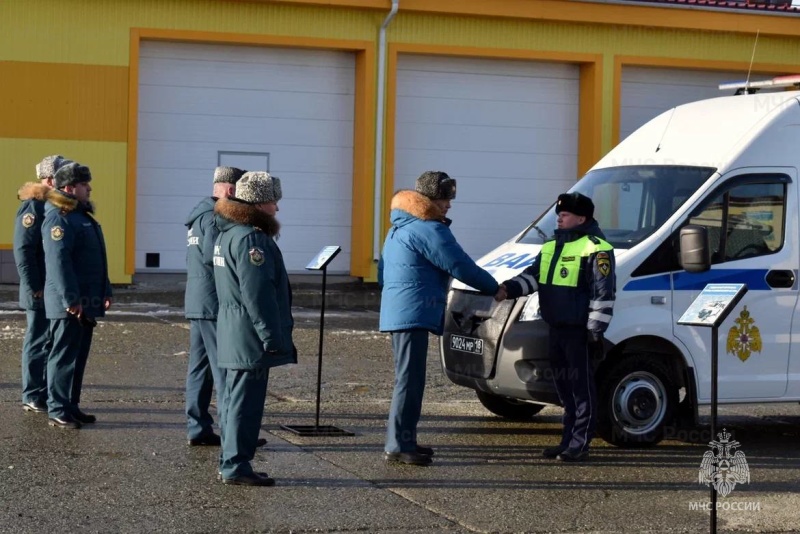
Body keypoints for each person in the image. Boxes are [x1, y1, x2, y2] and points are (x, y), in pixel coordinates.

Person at [379, 171, 499, 466]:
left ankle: (404, 439)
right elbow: (460, 264)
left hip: (401, 310)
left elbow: (382, 273)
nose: (449, 205)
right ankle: (400, 445)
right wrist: (496, 287)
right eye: (445, 198)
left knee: (408, 379)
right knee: (409, 380)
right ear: (430, 199)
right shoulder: (428, 228)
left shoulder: (399, 226)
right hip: (413, 313)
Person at [496, 192, 615, 462]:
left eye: (565, 215)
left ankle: (580, 444)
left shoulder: (597, 248)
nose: (559, 218)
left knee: (581, 388)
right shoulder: (551, 245)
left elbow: (603, 293)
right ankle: (567, 441)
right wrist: (507, 289)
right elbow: (532, 278)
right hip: (556, 329)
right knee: (564, 388)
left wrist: (595, 332)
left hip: (579, 332)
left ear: (581, 218)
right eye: (559, 214)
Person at [213, 171, 296, 486]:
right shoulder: (251, 239)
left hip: (237, 332)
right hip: (249, 336)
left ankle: (231, 461)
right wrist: (271, 337)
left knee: (236, 401)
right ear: (260, 203)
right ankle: (236, 465)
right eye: (274, 201)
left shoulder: (231, 232)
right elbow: (257, 295)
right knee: (245, 405)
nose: (277, 208)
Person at [42, 162, 112, 429]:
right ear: (70, 188)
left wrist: (105, 289)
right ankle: (57, 408)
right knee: (62, 356)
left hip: (86, 301)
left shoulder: (80, 216)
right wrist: (71, 299)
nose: (89, 188)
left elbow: (95, 259)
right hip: (69, 304)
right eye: (85, 184)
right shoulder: (59, 218)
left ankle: (71, 405)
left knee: (77, 357)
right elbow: (59, 263)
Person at [184, 166, 245, 447]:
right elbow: (213, 256)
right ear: (231, 190)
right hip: (213, 302)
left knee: (200, 368)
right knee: (223, 369)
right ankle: (234, 433)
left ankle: (198, 428)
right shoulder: (214, 217)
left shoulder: (198, 215)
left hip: (198, 300)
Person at [13, 155, 65, 414]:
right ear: (48, 178)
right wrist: (34, 286)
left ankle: (43, 391)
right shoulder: (34, 206)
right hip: (39, 288)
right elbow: (23, 250)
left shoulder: (51, 205)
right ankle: (32, 394)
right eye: (60, 175)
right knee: (37, 339)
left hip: (50, 287)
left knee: (49, 340)